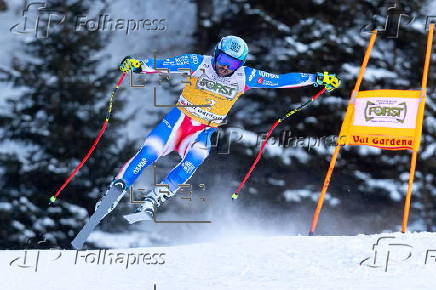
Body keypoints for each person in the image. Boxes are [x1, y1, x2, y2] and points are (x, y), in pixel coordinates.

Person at [95, 35, 340, 222]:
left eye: (232, 64)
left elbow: (280, 80)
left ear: (240, 64)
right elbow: (165, 64)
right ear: (216, 54)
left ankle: (156, 196)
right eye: (222, 60)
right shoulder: (197, 62)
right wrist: (139, 65)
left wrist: (316, 78)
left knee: (196, 157)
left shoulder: (245, 76)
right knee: (150, 152)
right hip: (177, 122)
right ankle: (116, 190)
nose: (225, 67)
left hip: (203, 131)